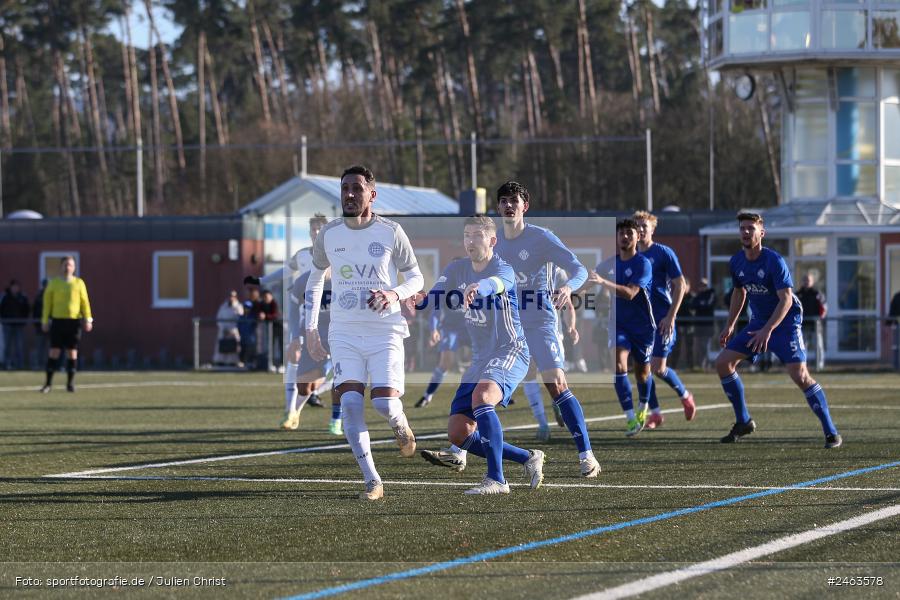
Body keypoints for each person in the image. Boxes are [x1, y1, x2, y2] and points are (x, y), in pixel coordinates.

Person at [304, 164, 424, 501]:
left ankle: (399, 423)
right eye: (345, 189)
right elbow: (315, 280)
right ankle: (373, 481)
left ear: (372, 194)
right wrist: (312, 327)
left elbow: (416, 278)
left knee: (385, 404)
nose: (350, 195)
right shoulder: (329, 234)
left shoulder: (391, 231)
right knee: (351, 404)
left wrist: (393, 294)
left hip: (385, 330)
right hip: (343, 331)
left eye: (357, 188)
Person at [418, 216, 544, 494]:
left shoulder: (503, 268)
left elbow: (498, 283)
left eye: (477, 235)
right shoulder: (456, 268)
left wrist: (480, 287)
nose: (470, 241)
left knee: (482, 398)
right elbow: (435, 295)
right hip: (481, 359)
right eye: (466, 235)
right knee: (458, 432)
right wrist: (417, 301)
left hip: (511, 349)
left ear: (492, 241)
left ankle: (497, 480)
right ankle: (527, 457)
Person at [492, 181, 599, 477]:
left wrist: (566, 287)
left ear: (525, 206)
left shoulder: (542, 238)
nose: (508, 205)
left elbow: (579, 270)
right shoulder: (492, 240)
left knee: (556, 384)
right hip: (507, 326)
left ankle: (587, 456)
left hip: (539, 322)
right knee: (484, 388)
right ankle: (460, 449)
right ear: (498, 207)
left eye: (514, 200)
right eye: (503, 201)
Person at [715, 213, 841, 448]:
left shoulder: (774, 261)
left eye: (751, 228)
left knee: (799, 375)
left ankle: (831, 431)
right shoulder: (736, 262)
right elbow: (739, 292)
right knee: (723, 363)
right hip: (758, 324)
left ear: (761, 233)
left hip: (784, 325)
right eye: (742, 228)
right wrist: (731, 324)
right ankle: (743, 421)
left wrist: (768, 330)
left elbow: (786, 300)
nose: (745, 232)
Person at [590, 219, 655, 437]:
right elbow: (590, 281)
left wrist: (603, 283)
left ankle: (643, 406)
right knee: (618, 364)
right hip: (619, 325)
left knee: (643, 374)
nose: (624, 237)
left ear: (638, 237)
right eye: (621, 233)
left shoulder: (643, 264)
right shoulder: (610, 264)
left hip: (643, 327)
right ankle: (629, 418)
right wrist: (567, 293)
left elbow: (630, 293)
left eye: (629, 233)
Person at [632, 211, 696, 430]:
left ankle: (685, 395)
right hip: (641, 323)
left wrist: (671, 316)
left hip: (662, 320)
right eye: (637, 226)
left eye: (644, 226)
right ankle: (655, 414)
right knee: (642, 369)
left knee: (658, 368)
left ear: (652, 230)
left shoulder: (663, 253)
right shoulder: (630, 256)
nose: (640, 229)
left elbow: (681, 285)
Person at [282, 267, 338, 433]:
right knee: (305, 386)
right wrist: (294, 338)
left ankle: (336, 420)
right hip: (311, 334)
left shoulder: (346, 275)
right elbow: (292, 310)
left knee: (342, 380)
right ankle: (295, 412)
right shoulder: (303, 280)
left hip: (340, 333)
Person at [416, 257, 471, 408]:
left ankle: (494, 393)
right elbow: (436, 311)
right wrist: (434, 329)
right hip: (450, 329)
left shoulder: (473, 282)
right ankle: (427, 395)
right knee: (446, 362)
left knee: (481, 361)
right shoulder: (445, 286)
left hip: (471, 327)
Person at [40, 256, 93, 393]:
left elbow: (85, 302)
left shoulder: (79, 283)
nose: (67, 267)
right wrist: (45, 320)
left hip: (74, 322)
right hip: (58, 321)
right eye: (65, 264)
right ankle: (48, 384)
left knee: (72, 352)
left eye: (70, 264)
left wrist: (88, 319)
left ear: (74, 267)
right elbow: (47, 304)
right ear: (61, 267)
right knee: (54, 352)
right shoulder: (54, 283)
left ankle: (70, 384)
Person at [796, 273, 826, 367]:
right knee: (802, 346)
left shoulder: (817, 294)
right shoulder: (797, 295)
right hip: (802, 325)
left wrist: (819, 319)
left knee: (818, 346)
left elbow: (824, 308)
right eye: (805, 280)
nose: (806, 282)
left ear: (812, 282)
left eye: (808, 280)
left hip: (815, 325)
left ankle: (819, 365)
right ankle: (802, 365)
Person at [1, 279, 30, 370]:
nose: (15, 288)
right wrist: (4, 319)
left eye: (17, 286)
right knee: (8, 346)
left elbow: (27, 309)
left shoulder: (23, 297)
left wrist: (23, 320)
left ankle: (19, 365)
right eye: (14, 286)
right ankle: (6, 364)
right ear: (11, 287)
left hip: (19, 325)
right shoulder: (5, 296)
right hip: (7, 324)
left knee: (19, 346)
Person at [690, 277, 717, 369]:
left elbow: (707, 305)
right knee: (698, 346)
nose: (702, 287)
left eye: (704, 285)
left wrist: (700, 304)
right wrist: (701, 304)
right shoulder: (698, 296)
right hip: (698, 325)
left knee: (704, 346)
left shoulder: (711, 294)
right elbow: (693, 305)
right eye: (701, 285)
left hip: (708, 325)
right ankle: (699, 364)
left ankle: (705, 364)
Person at [213, 291, 243, 366]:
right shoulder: (223, 307)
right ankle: (220, 362)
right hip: (223, 331)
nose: (231, 298)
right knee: (221, 347)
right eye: (230, 296)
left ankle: (232, 362)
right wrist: (224, 329)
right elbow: (219, 318)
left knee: (233, 348)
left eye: (233, 296)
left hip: (233, 332)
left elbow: (240, 320)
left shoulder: (238, 307)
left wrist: (232, 330)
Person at [238, 287, 262, 368]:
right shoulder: (241, 317)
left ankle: (252, 364)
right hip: (243, 338)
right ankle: (244, 363)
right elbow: (239, 327)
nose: (246, 309)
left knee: (252, 352)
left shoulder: (252, 316)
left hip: (252, 339)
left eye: (248, 308)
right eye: (245, 307)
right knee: (243, 351)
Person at [31, 279, 48, 370]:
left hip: (50, 326)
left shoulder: (52, 296)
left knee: (50, 347)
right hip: (40, 325)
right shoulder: (39, 297)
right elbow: (35, 311)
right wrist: (37, 323)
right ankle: (38, 364)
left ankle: (48, 364)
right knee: (39, 346)